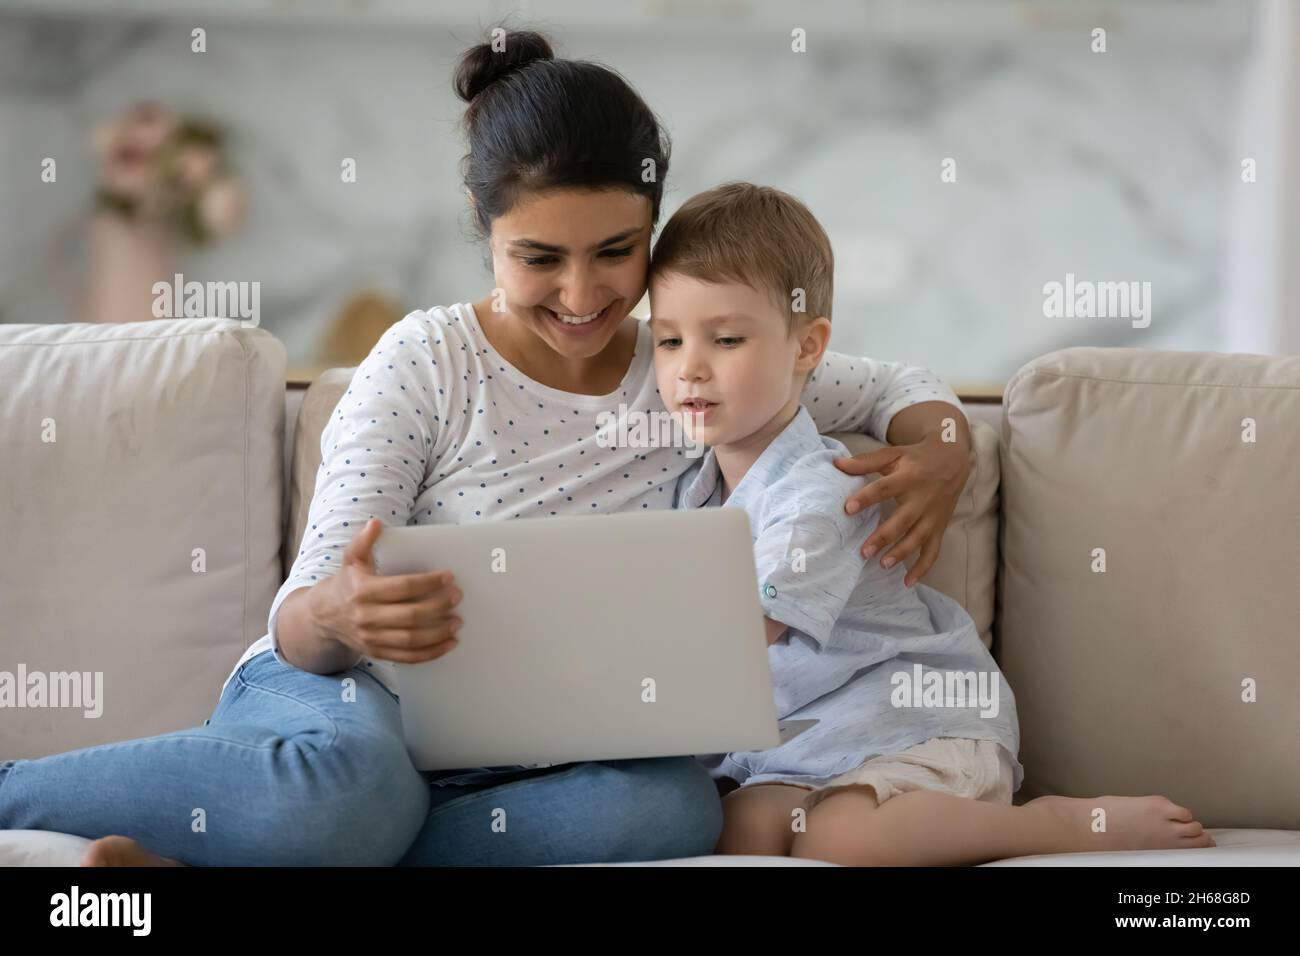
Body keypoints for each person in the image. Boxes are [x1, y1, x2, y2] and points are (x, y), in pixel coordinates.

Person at [0, 29, 978, 867]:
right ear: (483, 227)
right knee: (351, 787)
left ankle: (260, 849)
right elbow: (301, 626)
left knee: (671, 807)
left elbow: (892, 385)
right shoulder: (426, 362)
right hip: (343, 702)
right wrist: (340, 609)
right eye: (539, 258)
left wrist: (942, 450)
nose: (584, 295)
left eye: (615, 252)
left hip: (532, 752)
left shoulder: (689, 360)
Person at [648, 181, 1217, 864]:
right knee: (737, 829)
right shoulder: (694, 490)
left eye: (727, 339)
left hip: (912, 723)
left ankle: (1063, 824)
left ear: (807, 348)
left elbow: (744, 631)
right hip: (806, 745)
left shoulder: (823, 492)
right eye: (668, 341)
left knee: (843, 839)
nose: (690, 370)